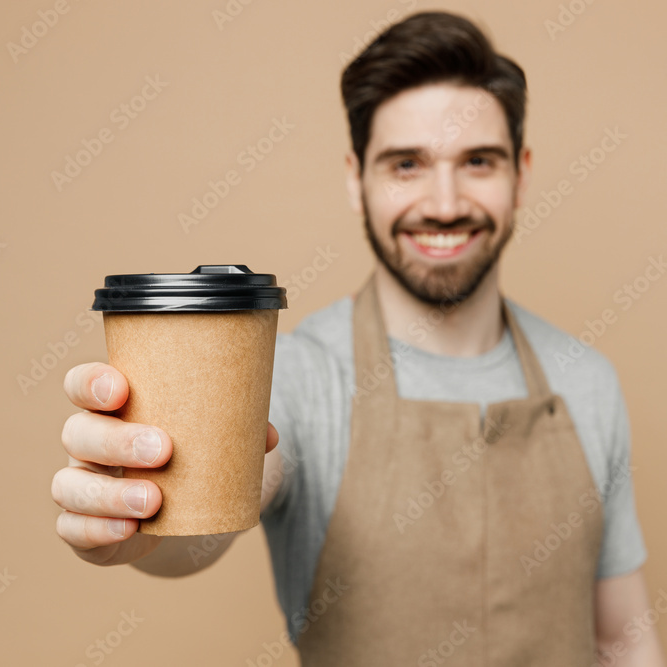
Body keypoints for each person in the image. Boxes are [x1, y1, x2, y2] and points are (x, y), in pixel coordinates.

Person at [51, 11, 664, 665]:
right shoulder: (295, 374)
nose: (445, 201)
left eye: (478, 161)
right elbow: (220, 497)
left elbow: (622, 640)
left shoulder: (586, 381)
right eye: (407, 165)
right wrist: (137, 520)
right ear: (355, 178)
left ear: (522, 174)